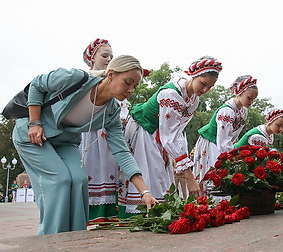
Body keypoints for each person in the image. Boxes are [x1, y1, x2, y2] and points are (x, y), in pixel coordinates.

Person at [12, 55, 157, 235]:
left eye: (134, 86)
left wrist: (145, 192)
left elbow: (121, 151)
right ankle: (50, 239)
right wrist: (34, 122)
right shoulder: (75, 78)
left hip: (64, 142)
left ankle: (75, 238)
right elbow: (37, 84)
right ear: (110, 74)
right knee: (60, 179)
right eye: (127, 82)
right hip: (32, 134)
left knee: (80, 180)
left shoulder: (111, 113)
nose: (130, 90)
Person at [120, 56, 223, 215]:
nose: (205, 90)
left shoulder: (193, 100)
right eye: (203, 84)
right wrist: (189, 176)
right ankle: (141, 214)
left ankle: (158, 214)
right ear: (194, 75)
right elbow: (170, 136)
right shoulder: (171, 94)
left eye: (210, 87)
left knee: (162, 175)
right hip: (144, 130)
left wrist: (176, 157)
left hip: (159, 136)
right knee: (150, 174)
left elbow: (177, 132)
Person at [81, 38, 127, 223]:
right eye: (104, 55)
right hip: (90, 133)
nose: (108, 59)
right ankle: (91, 213)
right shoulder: (84, 79)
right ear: (92, 58)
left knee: (110, 170)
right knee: (92, 169)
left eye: (111, 56)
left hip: (111, 134)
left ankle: (110, 215)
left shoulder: (116, 82)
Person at [193, 75, 258, 188]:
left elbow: (232, 136)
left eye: (253, 99)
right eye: (249, 98)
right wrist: (231, 158)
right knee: (214, 175)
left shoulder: (243, 111)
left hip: (223, 144)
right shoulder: (227, 111)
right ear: (239, 92)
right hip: (212, 143)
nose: (251, 102)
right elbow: (223, 141)